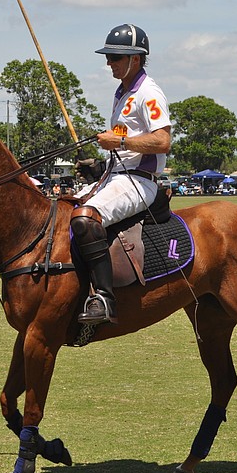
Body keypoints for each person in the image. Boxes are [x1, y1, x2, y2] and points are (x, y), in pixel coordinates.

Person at [71, 23, 172, 325]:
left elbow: (162, 140)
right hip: (118, 175)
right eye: (109, 57)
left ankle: (104, 298)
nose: (109, 63)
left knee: (86, 218)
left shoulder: (148, 93)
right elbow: (124, 146)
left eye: (115, 57)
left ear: (136, 59)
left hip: (141, 181)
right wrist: (100, 166)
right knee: (64, 208)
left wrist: (120, 142)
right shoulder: (122, 93)